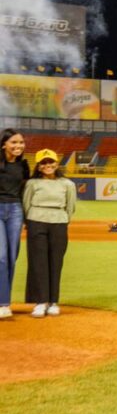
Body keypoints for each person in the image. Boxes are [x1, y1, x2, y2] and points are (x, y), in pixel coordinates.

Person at [22, 149, 77, 317]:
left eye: (50, 162)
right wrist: (29, 221)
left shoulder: (67, 184)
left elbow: (70, 206)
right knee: (38, 263)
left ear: (57, 163)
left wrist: (63, 218)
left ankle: (53, 302)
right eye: (43, 163)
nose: (48, 165)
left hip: (59, 222)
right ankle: (40, 302)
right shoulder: (32, 183)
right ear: (38, 166)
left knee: (55, 262)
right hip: (36, 221)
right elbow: (26, 203)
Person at [0, 128, 28, 319]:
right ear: (4, 145)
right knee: (1, 256)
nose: (18, 146)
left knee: (11, 257)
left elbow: (24, 192)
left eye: (21, 143)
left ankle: (5, 302)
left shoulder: (23, 166)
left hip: (16, 211)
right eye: (14, 143)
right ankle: (3, 304)